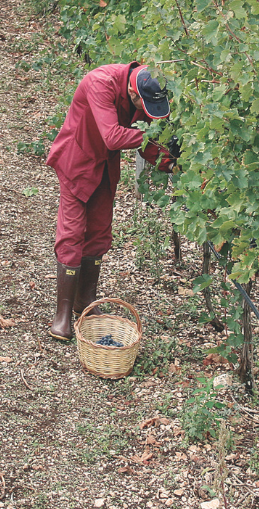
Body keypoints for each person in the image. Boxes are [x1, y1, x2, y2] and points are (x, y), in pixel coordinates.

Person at [45, 62, 175, 340]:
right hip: (77, 162)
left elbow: (145, 141)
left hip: (104, 166)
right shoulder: (100, 82)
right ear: (132, 91)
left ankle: (85, 303)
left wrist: (172, 160)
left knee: (100, 233)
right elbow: (114, 136)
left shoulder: (146, 86)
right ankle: (63, 313)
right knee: (72, 234)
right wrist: (154, 136)